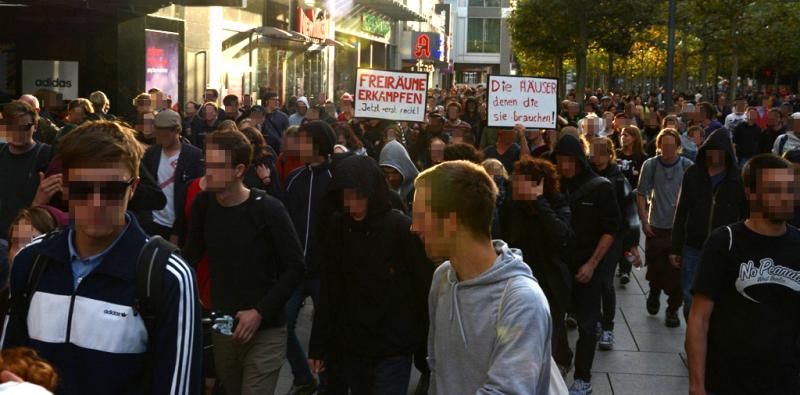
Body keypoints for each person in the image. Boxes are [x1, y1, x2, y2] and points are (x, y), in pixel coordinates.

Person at [2, 121, 202, 394]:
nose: (96, 202)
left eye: (111, 190)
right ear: (67, 189)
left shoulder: (167, 275)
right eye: (83, 188)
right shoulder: (31, 261)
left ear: (133, 188)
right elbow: (10, 372)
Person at [411, 160, 555, 394]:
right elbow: (437, 369)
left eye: (420, 216)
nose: (414, 228)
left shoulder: (522, 301)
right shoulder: (443, 278)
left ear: (451, 221)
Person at [183, 129, 304, 395]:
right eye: (207, 164)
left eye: (216, 166)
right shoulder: (203, 204)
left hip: (267, 329)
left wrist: (259, 312)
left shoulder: (268, 209)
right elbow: (190, 256)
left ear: (239, 170)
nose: (208, 172)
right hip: (223, 323)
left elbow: (296, 268)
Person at [308, 155, 433, 394]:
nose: (351, 204)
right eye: (346, 196)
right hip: (354, 344)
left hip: (394, 346)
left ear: (372, 193)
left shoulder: (400, 229)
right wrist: (319, 345)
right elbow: (331, 289)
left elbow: (423, 287)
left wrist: (421, 342)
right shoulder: (339, 228)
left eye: (358, 196)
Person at [686, 153, 800, 395]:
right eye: (774, 189)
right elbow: (699, 318)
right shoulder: (724, 242)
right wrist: (697, 386)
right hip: (728, 382)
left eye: (790, 189)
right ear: (750, 193)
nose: (786, 197)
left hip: (785, 383)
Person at [552, 134, 621, 395]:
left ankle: (583, 376)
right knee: (554, 320)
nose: (565, 166)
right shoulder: (553, 184)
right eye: (560, 160)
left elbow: (611, 229)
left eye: (570, 160)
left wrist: (592, 264)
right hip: (560, 266)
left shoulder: (600, 187)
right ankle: (563, 359)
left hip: (589, 267)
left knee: (588, 326)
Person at [499, 156, 573, 369]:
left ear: (537, 184)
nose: (514, 183)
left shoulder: (557, 202)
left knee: (548, 336)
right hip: (521, 281)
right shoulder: (512, 206)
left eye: (520, 180)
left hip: (552, 282)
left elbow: (562, 236)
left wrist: (539, 203)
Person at [282, 121, 336, 394]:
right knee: (282, 325)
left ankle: (328, 385)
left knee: (328, 330)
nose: (296, 146)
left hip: (323, 272)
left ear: (317, 145)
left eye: (303, 141)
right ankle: (303, 376)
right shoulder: (293, 179)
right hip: (295, 271)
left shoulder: (335, 181)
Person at [671, 129, 747, 322]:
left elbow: (746, 215)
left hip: (724, 249)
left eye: (719, 151)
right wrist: (675, 247)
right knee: (690, 296)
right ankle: (694, 336)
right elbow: (682, 211)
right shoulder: (693, 174)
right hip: (693, 246)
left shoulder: (737, 180)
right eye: (711, 151)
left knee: (719, 298)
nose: (714, 156)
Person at [636, 128, 693, 328]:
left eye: (671, 146)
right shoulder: (650, 165)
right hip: (656, 225)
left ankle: (672, 309)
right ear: (659, 146)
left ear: (678, 146)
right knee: (656, 266)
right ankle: (654, 291)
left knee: (677, 273)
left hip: (678, 229)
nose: (667, 150)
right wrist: (644, 221)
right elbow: (641, 193)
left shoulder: (687, 166)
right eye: (664, 146)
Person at [589, 137, 629, 350]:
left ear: (608, 154)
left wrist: (630, 243)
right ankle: (594, 320)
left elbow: (626, 211)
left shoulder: (618, 178)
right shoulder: (586, 173)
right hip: (590, 234)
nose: (594, 156)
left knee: (605, 282)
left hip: (613, 236)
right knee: (591, 282)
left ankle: (608, 327)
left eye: (598, 151)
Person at [141, 109, 204, 243]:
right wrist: (146, 221)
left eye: (164, 134)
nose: (160, 138)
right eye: (158, 134)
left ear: (177, 130)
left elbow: (194, 196)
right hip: (153, 224)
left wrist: (178, 230)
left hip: (182, 227)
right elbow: (144, 188)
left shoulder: (194, 156)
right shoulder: (151, 154)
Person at [0, 101, 55, 244]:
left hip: (28, 240)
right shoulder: (1, 152)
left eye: (24, 127)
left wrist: (40, 200)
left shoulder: (48, 155)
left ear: (35, 127)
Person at [379, 140, 419, 213]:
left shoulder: (419, 190)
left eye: (395, 172)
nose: (390, 178)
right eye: (386, 173)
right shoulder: (378, 192)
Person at [616, 125, 646, 190]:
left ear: (634, 138)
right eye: (621, 135)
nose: (622, 137)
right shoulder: (616, 153)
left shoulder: (642, 158)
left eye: (626, 135)